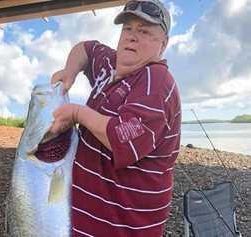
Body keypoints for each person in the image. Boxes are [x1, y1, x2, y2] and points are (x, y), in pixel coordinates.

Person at [49, 0, 181, 236]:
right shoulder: (111, 63)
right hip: (85, 222)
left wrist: (78, 113)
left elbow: (121, 137)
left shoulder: (157, 82)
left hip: (123, 228)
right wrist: (70, 71)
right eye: (127, 29)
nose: (132, 36)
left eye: (144, 31)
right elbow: (86, 48)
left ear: (163, 44)